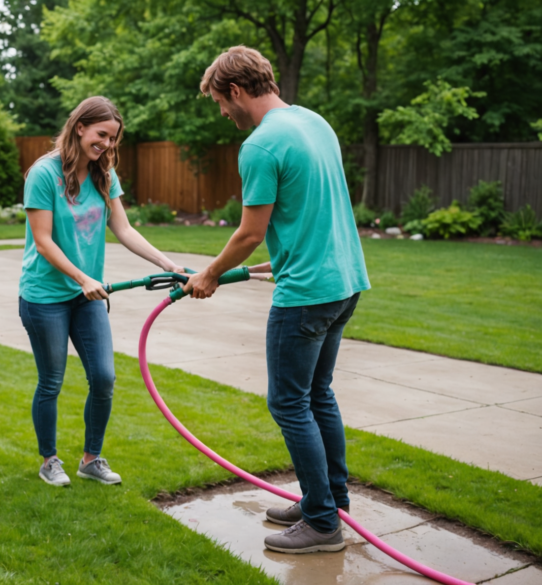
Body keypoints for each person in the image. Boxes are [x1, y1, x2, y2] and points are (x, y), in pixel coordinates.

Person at [186, 46, 370, 553]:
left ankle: (321, 522)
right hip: (345, 281)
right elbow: (315, 208)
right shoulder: (314, 122)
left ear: (237, 91)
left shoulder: (261, 145)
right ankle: (330, 501)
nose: (223, 114)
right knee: (318, 395)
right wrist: (282, 259)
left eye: (221, 103)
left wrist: (210, 274)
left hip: (306, 296)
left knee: (289, 402)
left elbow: (250, 232)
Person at [20, 96, 184, 487]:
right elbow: (43, 241)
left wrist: (167, 264)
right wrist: (83, 278)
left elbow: (123, 229)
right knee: (51, 381)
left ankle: (91, 459)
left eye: (112, 139)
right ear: (80, 128)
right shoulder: (43, 175)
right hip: (45, 296)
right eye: (101, 135)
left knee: (104, 377)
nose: (107, 145)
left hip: (87, 296)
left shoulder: (103, 175)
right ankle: (49, 460)